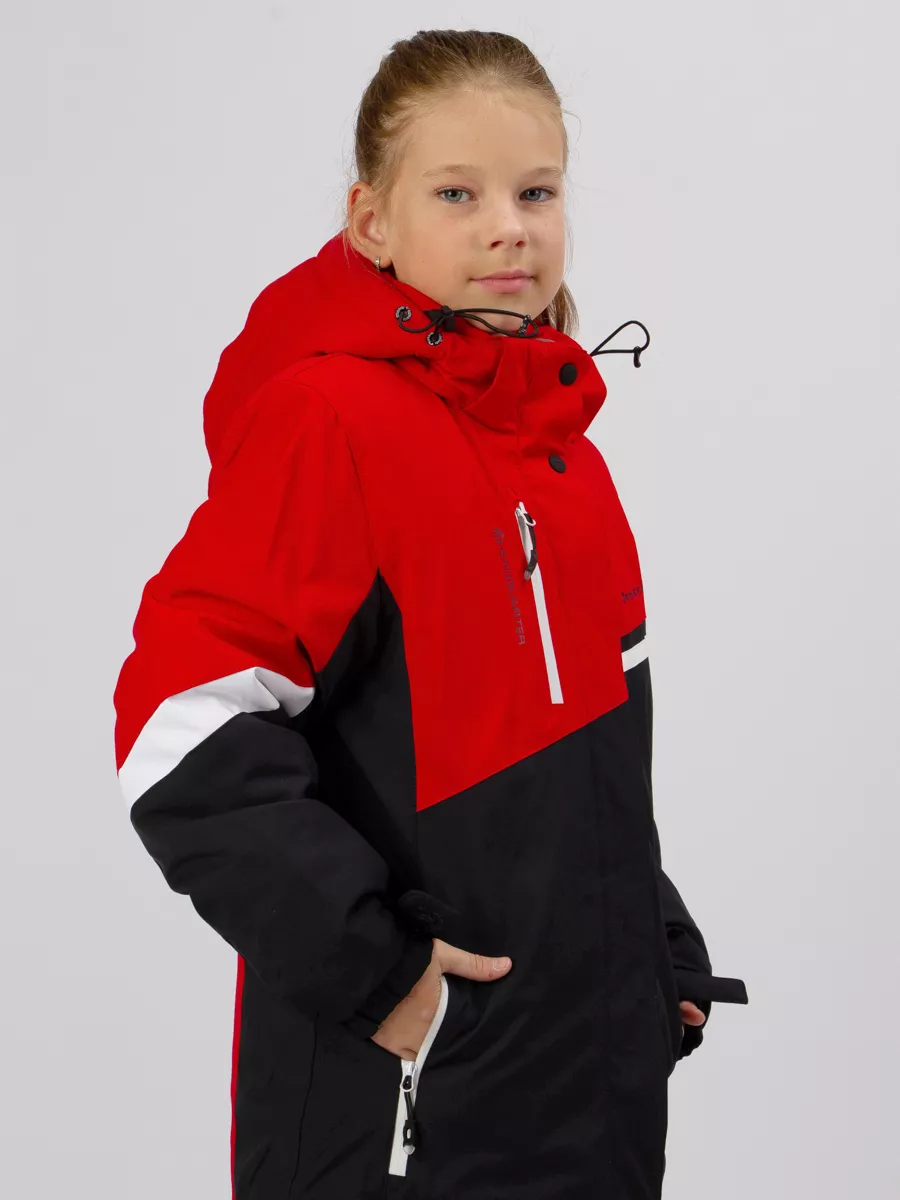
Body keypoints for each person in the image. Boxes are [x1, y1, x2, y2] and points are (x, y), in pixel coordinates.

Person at [113, 27, 748, 1200]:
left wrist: (651, 943)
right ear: (372, 221)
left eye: (536, 191)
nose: (509, 226)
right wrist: (381, 971)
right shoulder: (330, 424)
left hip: (585, 1099)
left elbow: (568, 761)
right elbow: (180, 726)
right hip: (405, 1116)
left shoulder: (567, 462)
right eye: (458, 193)